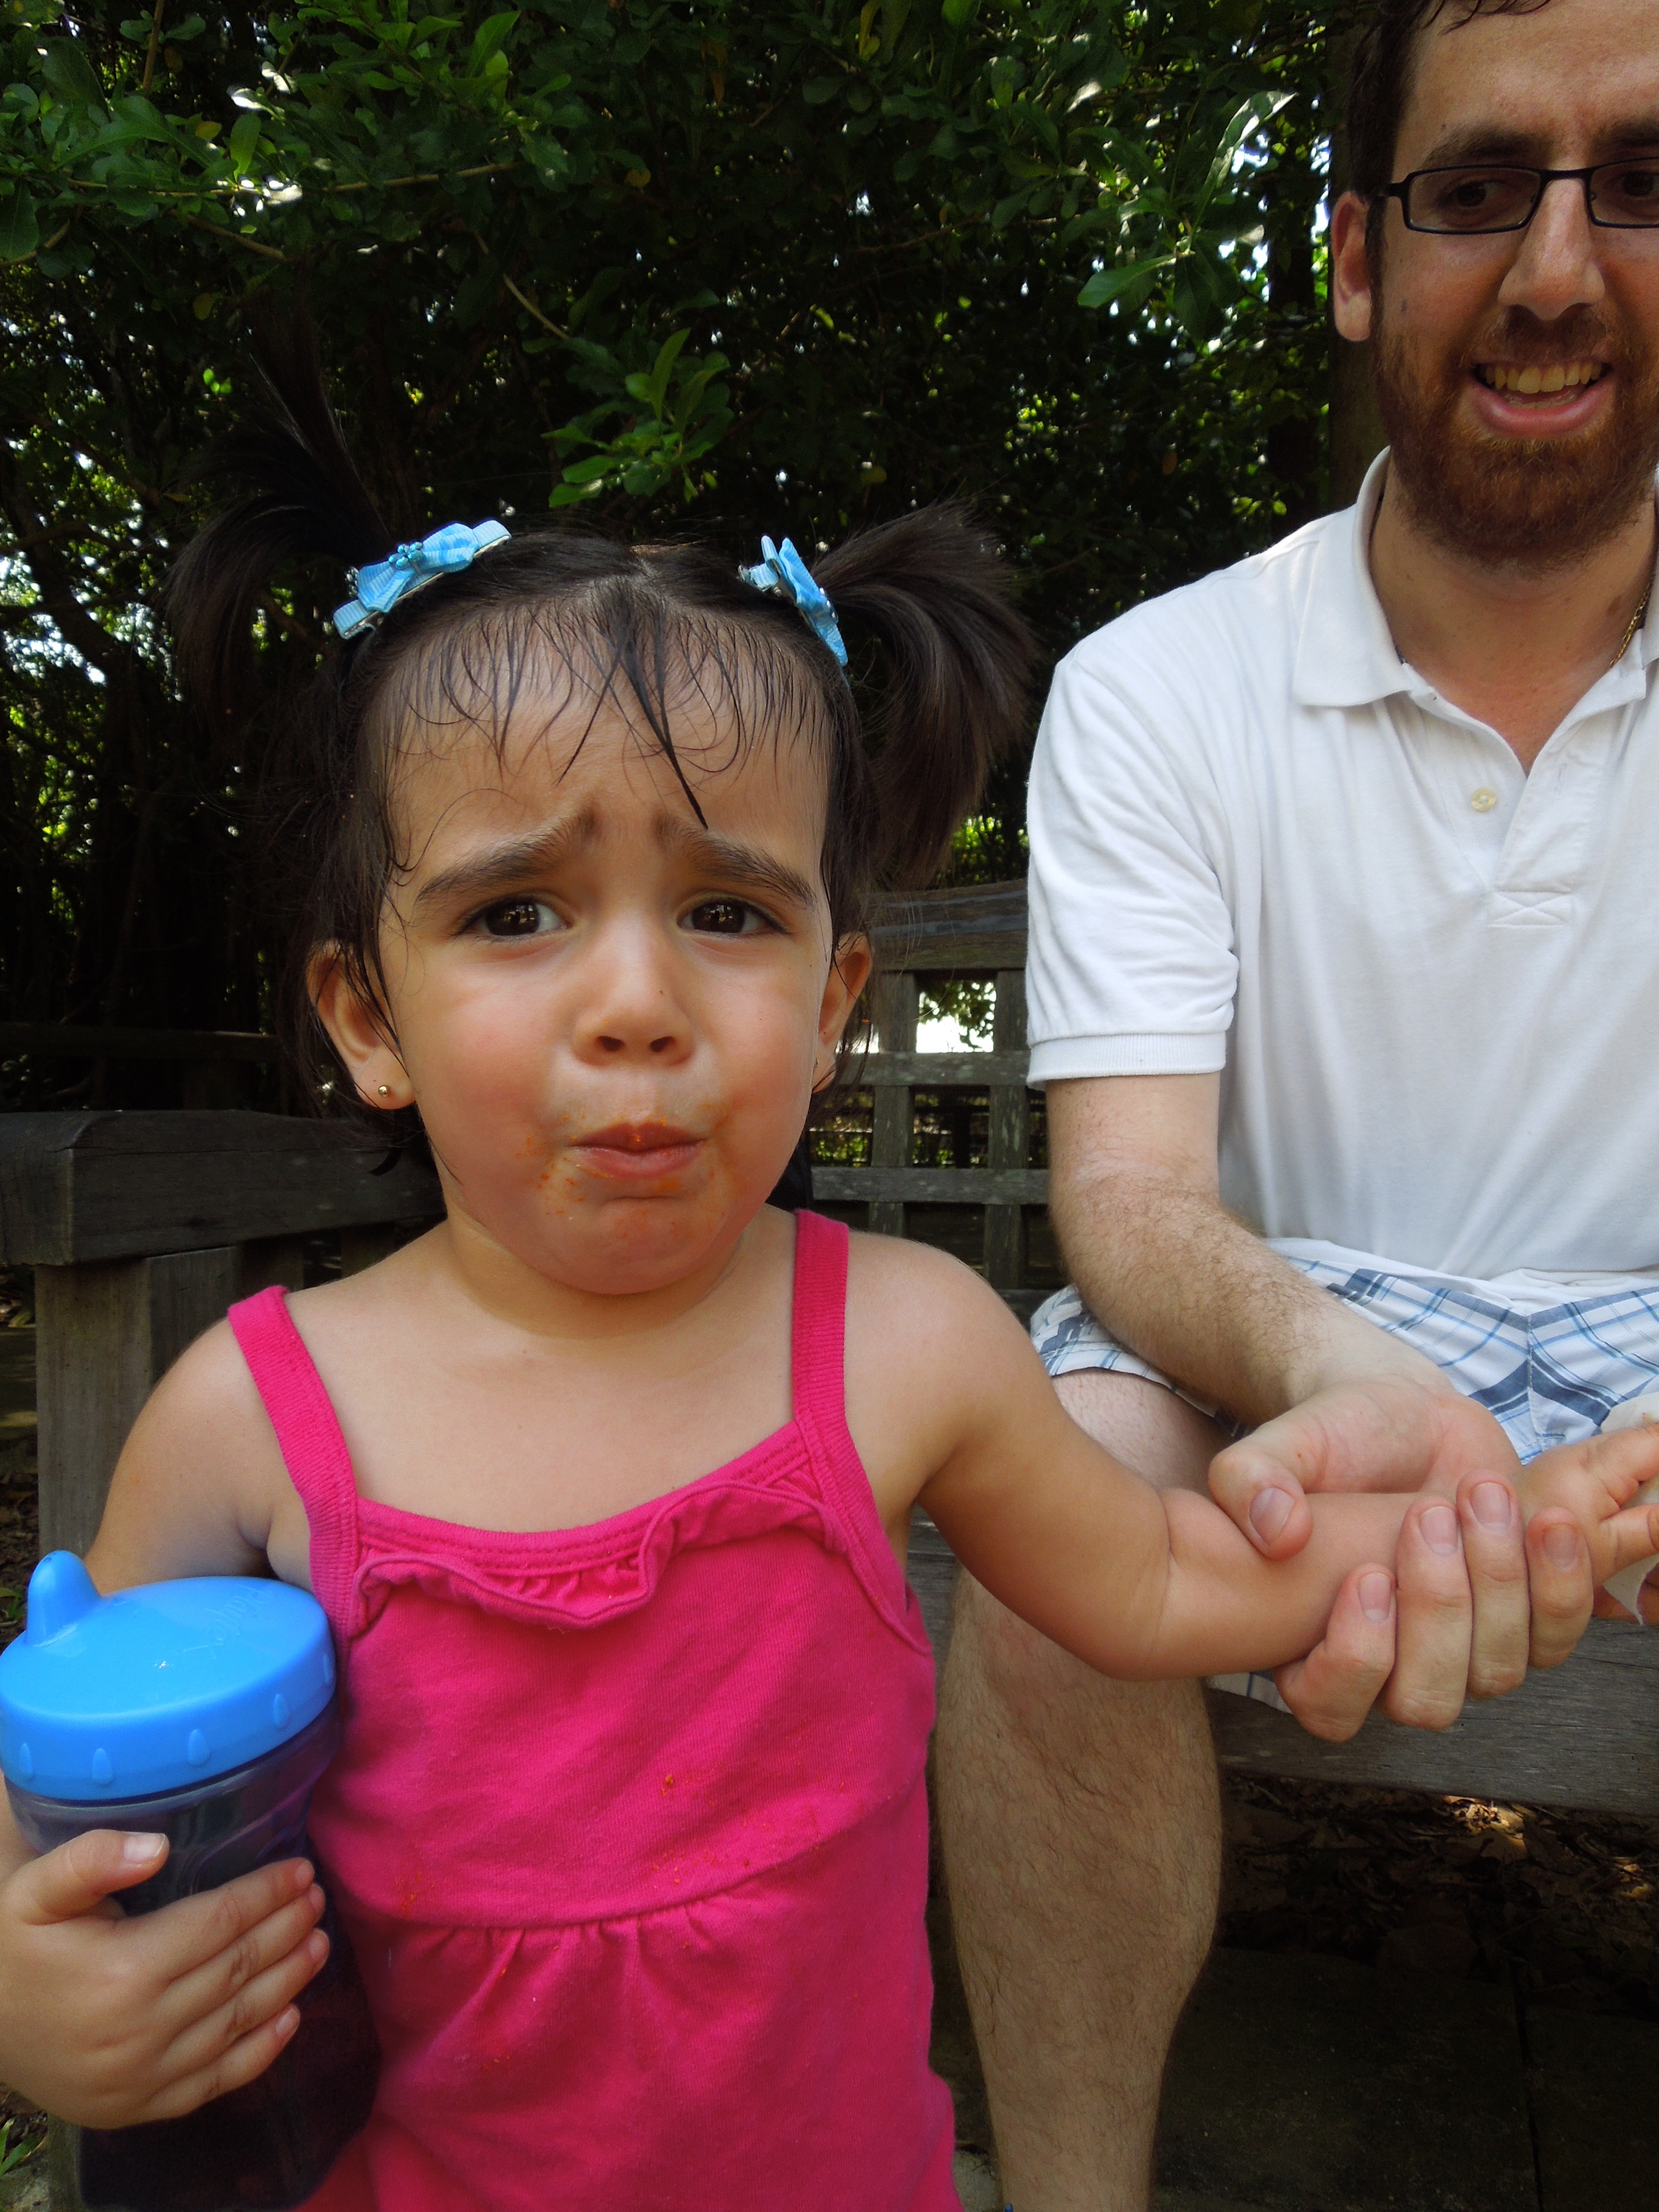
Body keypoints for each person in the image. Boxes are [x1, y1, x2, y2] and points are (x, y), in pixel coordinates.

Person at [8, 338, 1648, 2209]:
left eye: (727, 911)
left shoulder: (902, 1345)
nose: (638, 1002)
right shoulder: (249, 1419)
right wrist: (29, 1995)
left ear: (830, 1002)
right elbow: (64, 1777)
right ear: (366, 1015)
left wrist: (1500, 1528)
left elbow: (1165, 1577)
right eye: (517, 913)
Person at [935, 0, 1659, 2206]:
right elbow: (1138, 1204)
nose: (1556, 271)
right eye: (1479, 190)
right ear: (1359, 256)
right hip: (1275, 1354)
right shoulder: (1167, 688)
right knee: (1056, 1518)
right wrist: (1356, 1377)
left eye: (1642, 184)